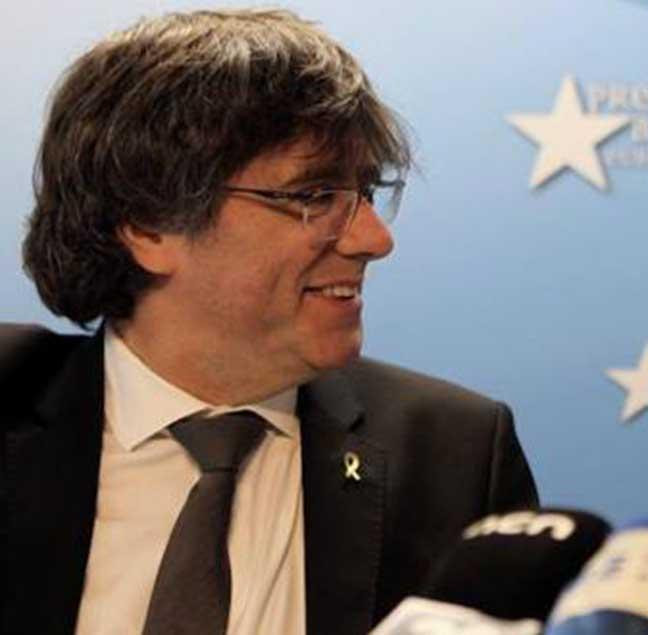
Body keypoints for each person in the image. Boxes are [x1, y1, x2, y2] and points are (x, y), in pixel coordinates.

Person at [3, 10, 537, 634]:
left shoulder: (454, 455)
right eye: (312, 197)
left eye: (365, 193)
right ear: (148, 224)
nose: (374, 239)